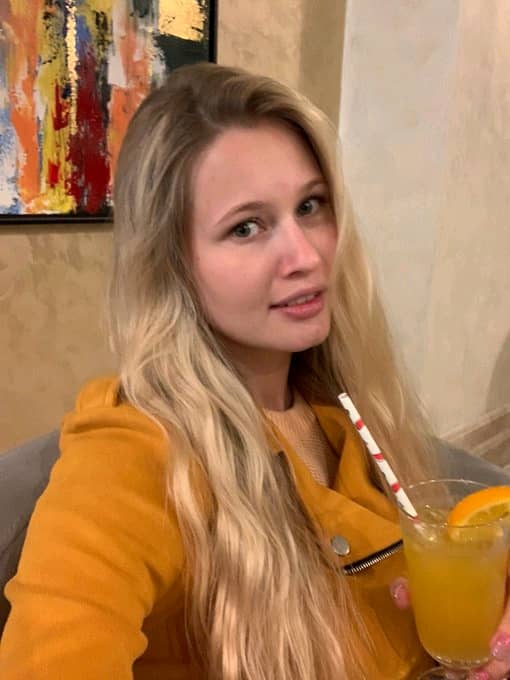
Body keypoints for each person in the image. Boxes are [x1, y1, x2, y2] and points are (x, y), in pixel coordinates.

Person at [1, 63, 509, 680]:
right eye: (246, 227)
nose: (306, 255)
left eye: (310, 206)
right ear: (172, 265)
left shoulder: (343, 412)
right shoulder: (137, 455)